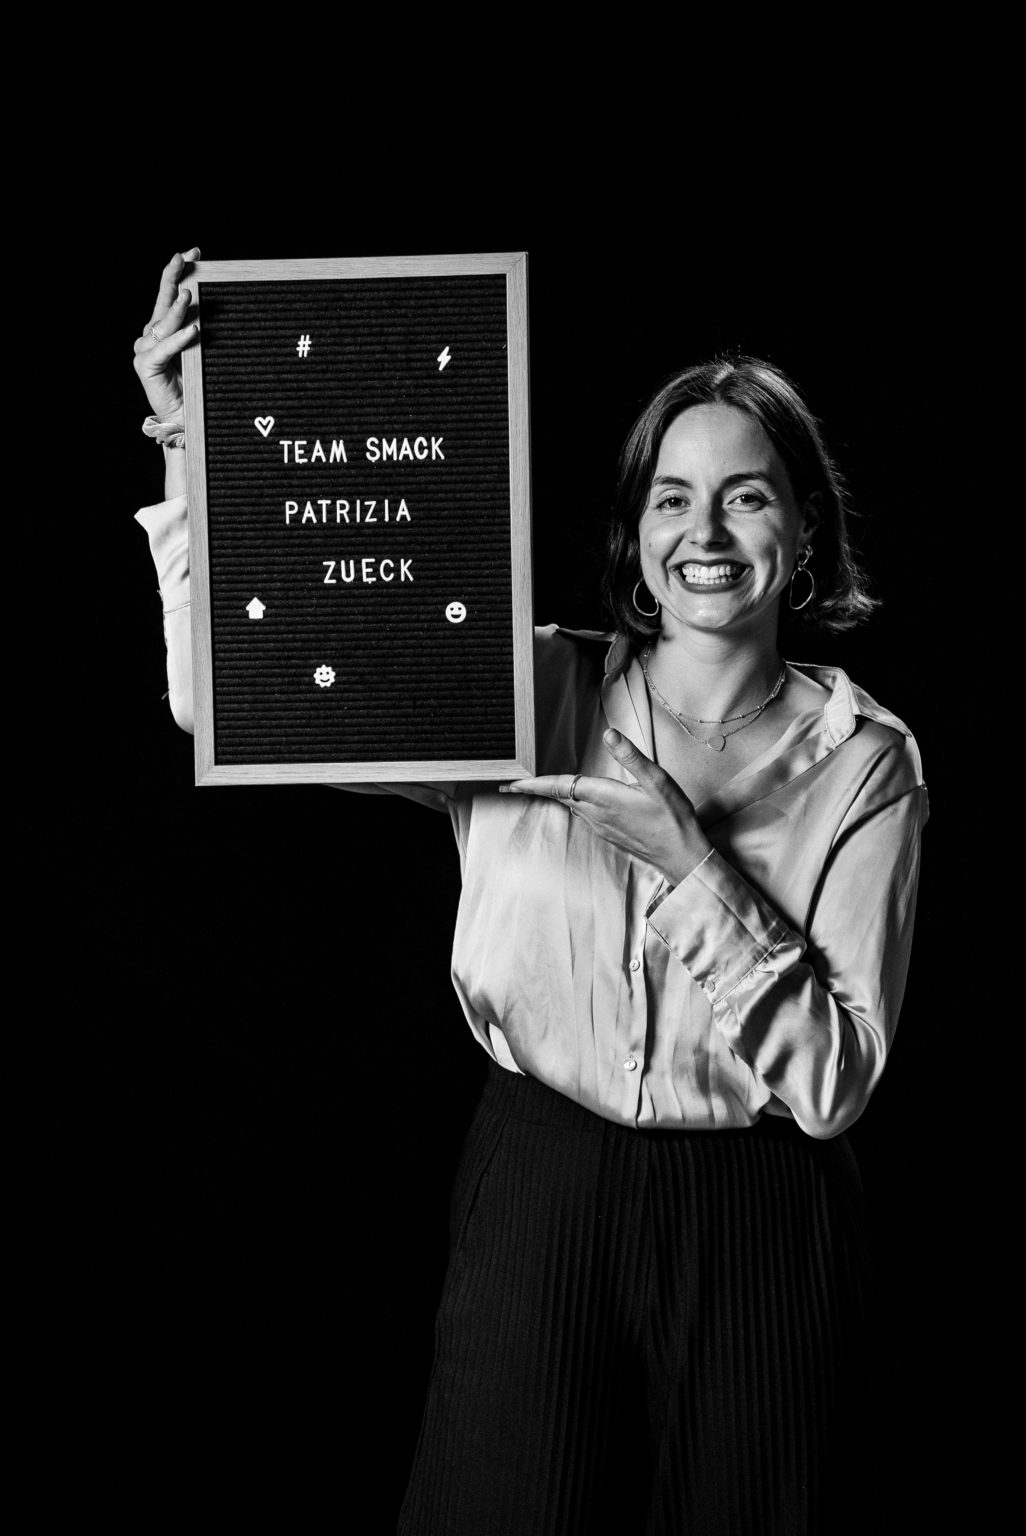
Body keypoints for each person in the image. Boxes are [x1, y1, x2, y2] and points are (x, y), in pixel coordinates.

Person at [134, 251, 927, 1535]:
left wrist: (687, 862)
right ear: (636, 529)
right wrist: (185, 436)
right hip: (542, 1190)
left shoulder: (868, 764)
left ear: (804, 535)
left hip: (764, 1222)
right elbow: (224, 699)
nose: (704, 536)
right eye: (672, 500)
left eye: (745, 499)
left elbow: (836, 1087)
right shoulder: (523, 694)